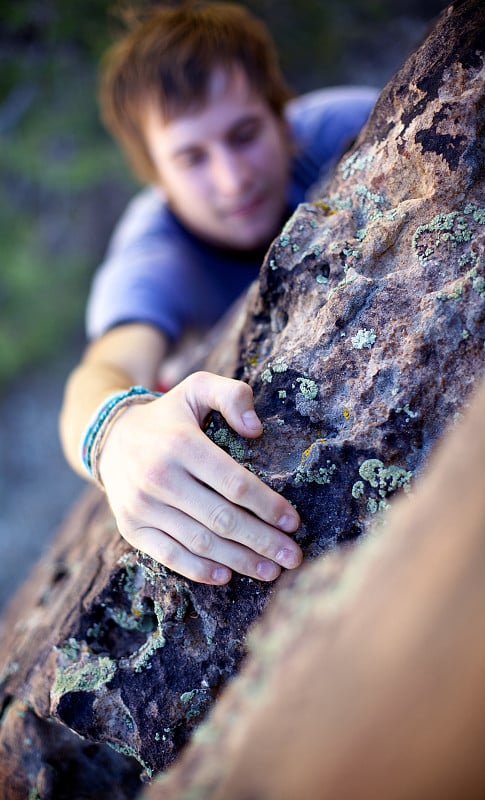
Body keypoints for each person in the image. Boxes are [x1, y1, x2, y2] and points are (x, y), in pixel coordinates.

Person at [59, 1, 377, 586]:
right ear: (156, 176)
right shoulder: (157, 256)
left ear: (283, 116)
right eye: (192, 158)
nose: (232, 180)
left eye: (245, 133)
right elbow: (100, 369)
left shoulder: (353, 127)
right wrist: (116, 435)